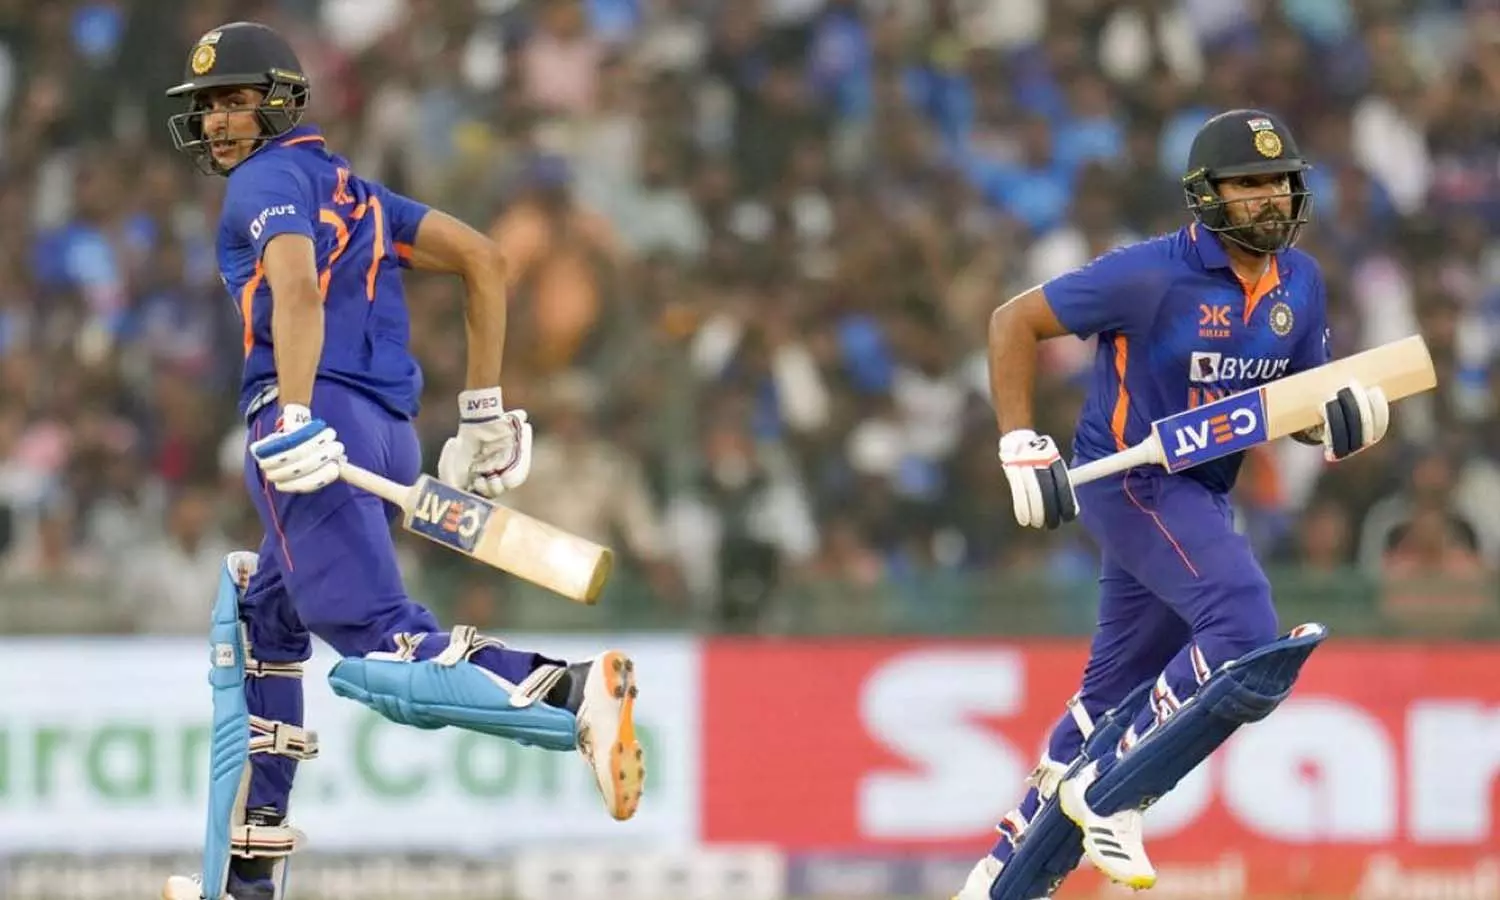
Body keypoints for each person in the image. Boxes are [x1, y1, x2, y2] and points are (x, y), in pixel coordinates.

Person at [156, 22, 644, 900]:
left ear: (279, 103)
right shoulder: (357, 191)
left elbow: (297, 291)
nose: (218, 122)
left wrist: (294, 414)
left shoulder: (263, 181)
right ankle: (245, 879)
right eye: (208, 107)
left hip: (312, 424)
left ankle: (571, 694)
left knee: (381, 646)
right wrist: (484, 410)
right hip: (386, 433)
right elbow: (484, 260)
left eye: (234, 101)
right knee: (260, 622)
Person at [955, 109, 1393, 900]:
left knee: (1108, 697)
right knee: (1242, 625)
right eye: (1249, 183)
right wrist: (1018, 441)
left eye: (1280, 181)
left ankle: (995, 878)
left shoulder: (1301, 282)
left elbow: (1288, 407)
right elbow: (1012, 320)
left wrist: (1335, 420)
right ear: (1207, 195)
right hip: (1131, 480)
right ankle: (1115, 790)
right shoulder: (1149, 274)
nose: (1270, 197)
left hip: (1202, 493)